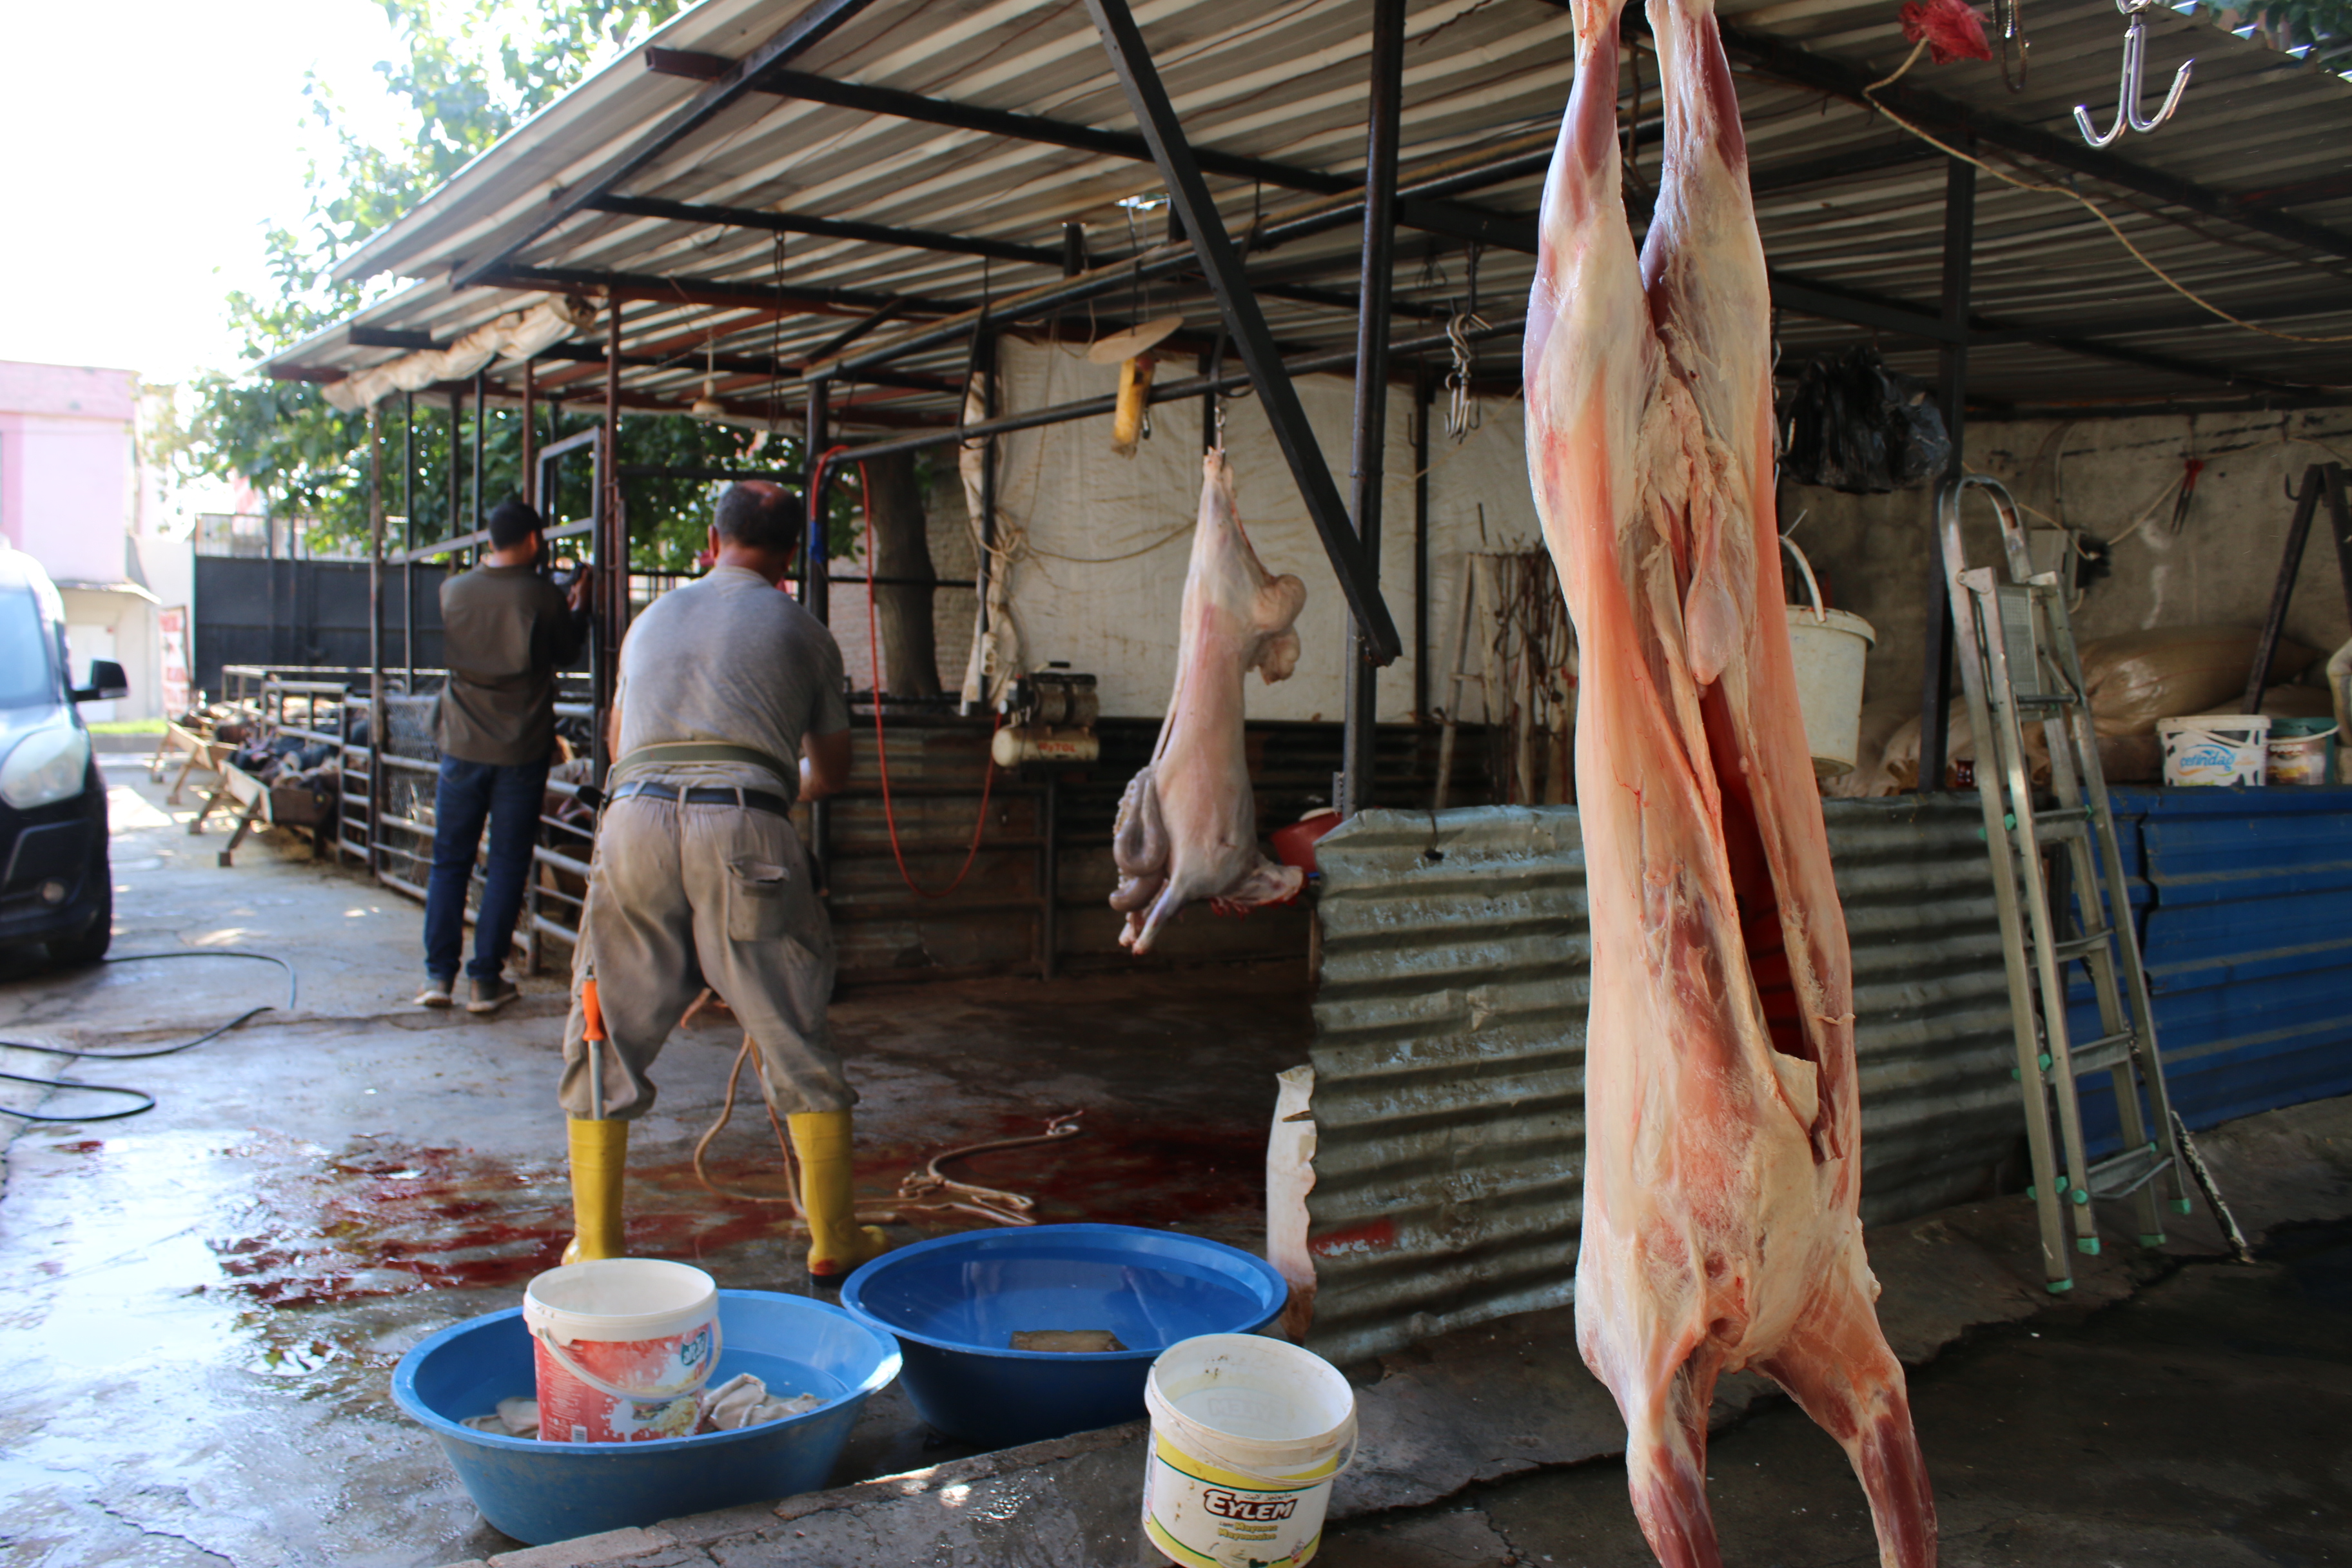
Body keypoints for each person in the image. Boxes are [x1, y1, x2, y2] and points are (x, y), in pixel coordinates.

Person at [558, 480, 885, 1282]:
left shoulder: (650, 620)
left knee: (605, 1030)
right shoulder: (806, 630)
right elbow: (832, 771)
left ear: (713, 538)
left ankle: (597, 1244)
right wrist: (771, 783)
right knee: (793, 1034)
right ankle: (835, 1237)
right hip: (746, 826)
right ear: (789, 556)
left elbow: (616, 740)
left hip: (633, 817)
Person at [419, 498, 591, 1014]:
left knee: (450, 859)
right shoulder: (540, 596)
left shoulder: (453, 591)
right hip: (521, 747)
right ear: (534, 542)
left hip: (461, 745)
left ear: (490, 539)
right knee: (508, 864)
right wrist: (578, 605)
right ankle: (485, 981)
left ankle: (438, 977)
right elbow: (564, 652)